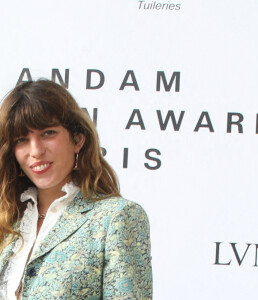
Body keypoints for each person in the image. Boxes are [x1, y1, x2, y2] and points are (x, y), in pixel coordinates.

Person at [0, 79, 152, 300]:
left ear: (78, 139)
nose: (35, 151)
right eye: (22, 139)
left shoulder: (115, 219)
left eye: (48, 133)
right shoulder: (8, 222)